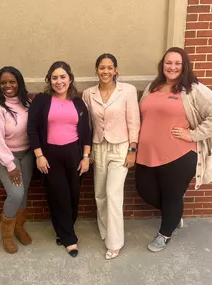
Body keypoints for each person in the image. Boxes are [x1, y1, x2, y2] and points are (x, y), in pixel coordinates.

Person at [135, 47, 212, 252]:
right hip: (147, 153)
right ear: (163, 65)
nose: (173, 67)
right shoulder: (153, 86)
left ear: (184, 66)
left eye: (177, 63)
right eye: (169, 63)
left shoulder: (193, 89)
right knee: (145, 191)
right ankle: (174, 214)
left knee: (171, 196)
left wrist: (193, 135)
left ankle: (165, 233)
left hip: (180, 154)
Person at [27, 61, 91, 257]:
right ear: (49, 80)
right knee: (59, 196)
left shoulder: (78, 103)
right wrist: (39, 156)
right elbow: (32, 129)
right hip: (50, 155)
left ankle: (63, 230)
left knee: (73, 195)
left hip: (74, 154)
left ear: (70, 79)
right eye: (54, 77)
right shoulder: (42, 101)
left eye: (63, 77)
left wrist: (86, 157)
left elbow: (87, 131)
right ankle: (69, 239)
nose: (59, 81)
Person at [83, 53, 140, 259]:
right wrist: (87, 151)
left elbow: (134, 120)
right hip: (99, 147)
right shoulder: (88, 93)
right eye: (101, 67)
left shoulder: (128, 91)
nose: (105, 71)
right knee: (100, 194)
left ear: (116, 70)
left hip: (120, 148)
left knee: (113, 194)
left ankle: (115, 243)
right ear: (96, 70)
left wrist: (132, 150)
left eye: (109, 67)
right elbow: (86, 126)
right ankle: (106, 231)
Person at [0, 66, 34, 254]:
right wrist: (10, 164)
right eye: (3, 82)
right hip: (6, 156)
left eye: (12, 81)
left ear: (19, 83)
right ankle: (6, 234)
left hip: (27, 153)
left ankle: (19, 227)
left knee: (24, 192)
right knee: (15, 193)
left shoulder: (26, 102)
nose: (8, 85)